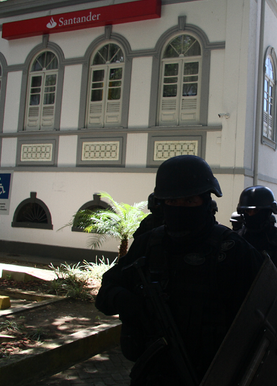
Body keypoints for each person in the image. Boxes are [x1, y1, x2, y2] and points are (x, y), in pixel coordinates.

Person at [95, 155, 264, 386]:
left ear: (205, 201)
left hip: (213, 374)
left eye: (189, 201)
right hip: (154, 374)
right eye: (173, 202)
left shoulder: (232, 250)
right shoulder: (148, 244)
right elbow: (105, 293)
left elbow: (265, 317)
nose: (179, 208)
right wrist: (125, 300)